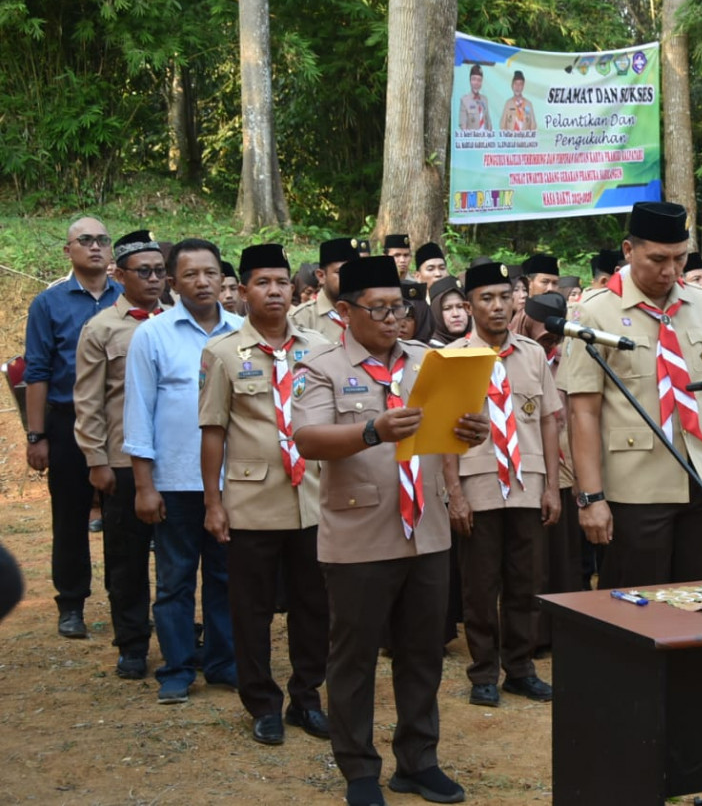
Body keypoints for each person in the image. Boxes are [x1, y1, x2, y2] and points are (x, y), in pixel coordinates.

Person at [293, 255, 488, 806]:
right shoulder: (321, 367)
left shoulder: (430, 361)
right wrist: (372, 431)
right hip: (359, 534)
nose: (390, 319)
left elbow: (456, 430)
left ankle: (418, 761)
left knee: (422, 651)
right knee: (353, 658)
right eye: (377, 309)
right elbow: (307, 439)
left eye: (398, 308)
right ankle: (358, 769)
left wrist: (471, 430)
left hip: (424, 528)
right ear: (345, 310)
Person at [557, 201, 702, 589]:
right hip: (634, 488)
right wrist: (591, 498)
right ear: (628, 252)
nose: (670, 271)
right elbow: (583, 414)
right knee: (635, 607)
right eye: (658, 259)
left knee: (699, 602)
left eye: (680, 259)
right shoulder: (594, 314)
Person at [199, 243, 332, 745]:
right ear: (242, 290)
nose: (273, 291)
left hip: (314, 498)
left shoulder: (318, 347)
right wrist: (214, 501)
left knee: (313, 604)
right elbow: (213, 430)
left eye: (281, 282)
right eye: (262, 282)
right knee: (250, 609)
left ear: (293, 288)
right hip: (253, 502)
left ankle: (307, 698)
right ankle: (262, 704)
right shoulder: (223, 354)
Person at [124, 238, 243, 703]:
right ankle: (176, 668)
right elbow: (138, 412)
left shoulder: (241, 333)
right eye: (191, 274)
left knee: (225, 577)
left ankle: (222, 661)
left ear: (222, 278)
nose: (202, 282)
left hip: (231, 481)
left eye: (210, 273)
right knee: (174, 580)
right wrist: (143, 485)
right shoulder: (151, 336)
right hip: (173, 482)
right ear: (172, 283)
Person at [442, 263, 561, 707]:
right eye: (485, 298)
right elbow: (443, 432)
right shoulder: (453, 357)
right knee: (479, 583)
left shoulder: (531, 353)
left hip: (527, 482)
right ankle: (483, 673)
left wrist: (551, 486)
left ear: (516, 300)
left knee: (526, 582)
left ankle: (521, 668)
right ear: (469, 305)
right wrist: (454, 493)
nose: (496, 306)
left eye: (503, 297)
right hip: (479, 482)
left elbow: (548, 421)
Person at [25, 216, 122, 638]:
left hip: (121, 424)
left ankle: (126, 600)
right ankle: (71, 604)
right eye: (85, 240)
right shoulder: (49, 303)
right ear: (69, 251)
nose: (95, 247)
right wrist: (36, 435)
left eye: (102, 240)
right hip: (67, 424)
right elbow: (37, 371)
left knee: (123, 518)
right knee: (69, 515)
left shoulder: (127, 297)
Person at [73, 229, 165, 677]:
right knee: (126, 560)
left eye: (159, 271)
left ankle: (179, 637)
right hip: (124, 461)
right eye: (142, 271)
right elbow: (88, 401)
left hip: (178, 461)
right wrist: (96, 460)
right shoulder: (102, 328)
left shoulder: (176, 321)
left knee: (177, 558)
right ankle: (131, 642)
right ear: (119, 274)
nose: (153, 279)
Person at [290, 238, 363, 344]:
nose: (350, 278)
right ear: (321, 276)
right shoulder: (302, 318)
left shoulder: (368, 313)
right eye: (341, 272)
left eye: (355, 272)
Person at [429, 276, 470, 347]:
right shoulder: (427, 350)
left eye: (460, 307)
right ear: (436, 313)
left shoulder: (485, 342)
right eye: (447, 308)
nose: (456, 314)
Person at [458, 64, 490, 131]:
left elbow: (488, 123)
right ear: (470, 81)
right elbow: (463, 127)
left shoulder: (485, 99)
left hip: (486, 140)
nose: (476, 83)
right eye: (474, 79)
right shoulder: (464, 100)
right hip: (472, 140)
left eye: (479, 80)